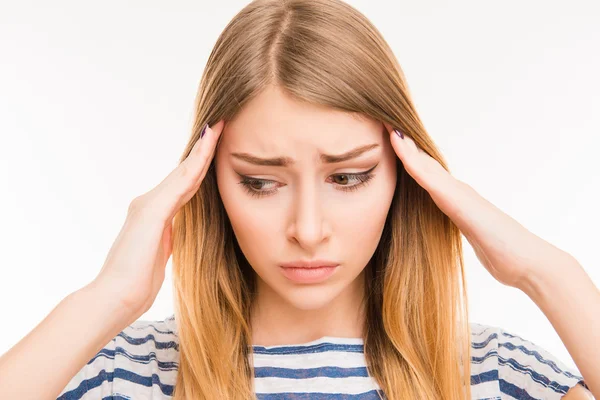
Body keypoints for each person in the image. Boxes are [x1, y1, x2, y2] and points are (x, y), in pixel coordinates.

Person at [0, 0, 597, 399]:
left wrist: (548, 272)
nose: (308, 229)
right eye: (261, 182)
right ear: (206, 183)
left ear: (409, 179)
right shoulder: (126, 375)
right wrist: (110, 297)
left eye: (347, 178)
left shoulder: (492, 375)